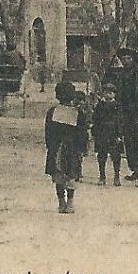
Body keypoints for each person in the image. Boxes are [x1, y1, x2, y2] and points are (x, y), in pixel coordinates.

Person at [45, 81, 88, 213]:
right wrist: (82, 148)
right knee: (70, 175)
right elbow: (83, 132)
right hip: (71, 148)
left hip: (59, 147)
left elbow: (48, 131)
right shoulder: (77, 112)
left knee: (59, 175)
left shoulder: (53, 111)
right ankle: (68, 202)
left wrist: (50, 146)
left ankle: (62, 202)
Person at [91, 83, 125, 186]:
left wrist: (120, 134)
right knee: (102, 155)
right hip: (102, 133)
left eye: (111, 93)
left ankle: (116, 176)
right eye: (106, 92)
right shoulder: (100, 105)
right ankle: (102, 176)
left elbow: (120, 120)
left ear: (114, 94)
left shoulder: (117, 106)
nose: (108, 95)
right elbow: (95, 119)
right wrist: (95, 133)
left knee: (116, 156)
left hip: (113, 134)